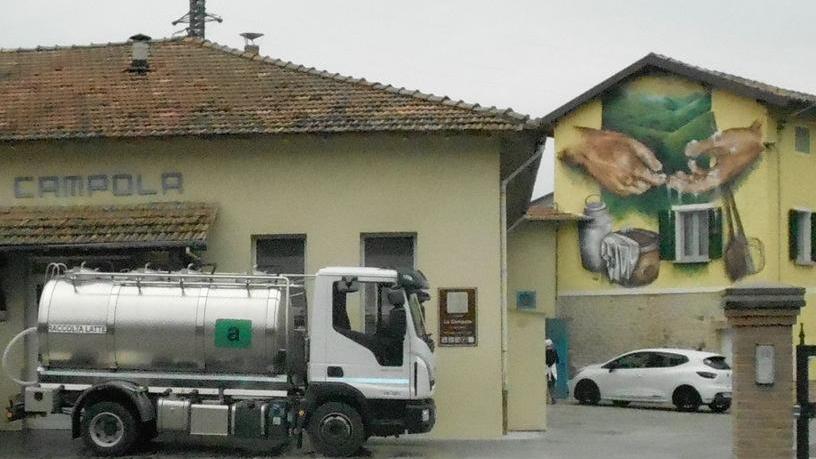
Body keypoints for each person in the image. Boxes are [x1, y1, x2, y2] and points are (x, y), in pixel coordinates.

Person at [545, 339, 559, 404]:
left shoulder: (546, 352)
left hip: (547, 370)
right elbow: (558, 360)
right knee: (552, 385)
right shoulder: (554, 351)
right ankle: (552, 398)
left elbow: (548, 362)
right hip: (553, 370)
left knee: (548, 385)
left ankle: (550, 399)